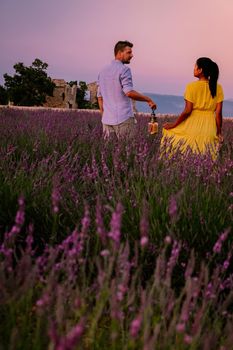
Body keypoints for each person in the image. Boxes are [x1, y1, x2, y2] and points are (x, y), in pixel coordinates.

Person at [161, 57, 224, 159]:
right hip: (209, 126)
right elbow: (218, 114)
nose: (194, 69)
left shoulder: (191, 86)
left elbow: (188, 110)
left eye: (195, 66)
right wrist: (219, 132)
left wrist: (174, 124)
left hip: (192, 124)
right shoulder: (218, 87)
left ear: (200, 70)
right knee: (207, 158)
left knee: (183, 152)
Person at [97, 40, 157, 138]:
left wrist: (104, 115)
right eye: (129, 52)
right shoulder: (124, 70)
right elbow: (129, 92)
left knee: (109, 152)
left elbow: (99, 97)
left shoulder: (102, 71)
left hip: (106, 121)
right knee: (128, 150)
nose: (132, 55)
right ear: (120, 53)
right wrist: (148, 99)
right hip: (123, 119)